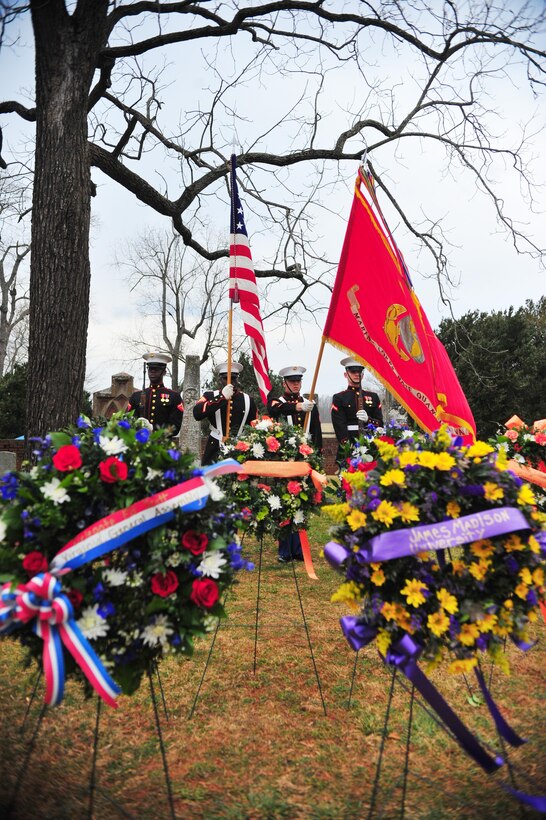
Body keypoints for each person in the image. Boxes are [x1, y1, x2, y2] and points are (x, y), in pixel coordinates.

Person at [267, 365, 322, 563]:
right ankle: (284, 550)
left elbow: (316, 433)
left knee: (301, 501)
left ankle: (298, 549)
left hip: (304, 459)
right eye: (292, 381)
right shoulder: (278, 401)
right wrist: (298, 407)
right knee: (284, 502)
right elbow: (273, 409)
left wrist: (317, 457)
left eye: (298, 381)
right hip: (283, 459)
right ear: (285, 383)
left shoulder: (309, 404)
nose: (296, 384)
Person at [193, 360, 258, 465]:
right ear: (220, 380)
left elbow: (254, 425)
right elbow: (197, 413)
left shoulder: (247, 399)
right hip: (215, 447)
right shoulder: (210, 396)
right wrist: (221, 398)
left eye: (233, 378)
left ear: (237, 379)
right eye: (225, 378)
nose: (230, 382)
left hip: (239, 447)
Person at [331, 356, 383, 466]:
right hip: (349, 446)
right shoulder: (339, 398)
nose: (356, 374)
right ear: (346, 374)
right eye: (353, 371)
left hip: (370, 447)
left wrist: (368, 420)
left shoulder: (373, 397)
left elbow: (380, 423)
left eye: (359, 371)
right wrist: (348, 447)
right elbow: (339, 426)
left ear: (363, 375)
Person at [128, 352, 184, 435]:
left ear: (164, 372)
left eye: (156, 369)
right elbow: (129, 421)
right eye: (150, 369)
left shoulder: (174, 397)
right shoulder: (136, 396)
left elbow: (174, 427)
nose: (152, 372)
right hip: (139, 443)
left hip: (161, 444)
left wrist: (154, 431)